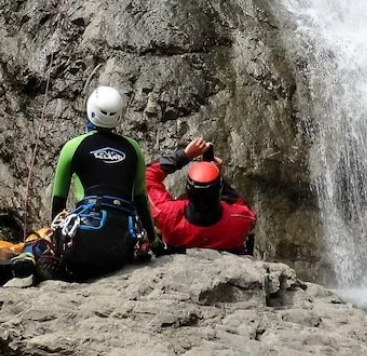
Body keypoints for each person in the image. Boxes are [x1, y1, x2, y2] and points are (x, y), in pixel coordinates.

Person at [50, 85, 158, 280]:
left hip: (84, 242)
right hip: (122, 245)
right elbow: (141, 200)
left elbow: (58, 201)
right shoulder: (133, 148)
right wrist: (155, 242)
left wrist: (55, 241)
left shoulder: (72, 147)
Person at [145, 136, 256, 252]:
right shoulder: (241, 218)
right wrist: (218, 176)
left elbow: (147, 176)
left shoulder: (166, 214)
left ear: (188, 190)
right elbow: (242, 207)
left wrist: (184, 155)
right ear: (219, 190)